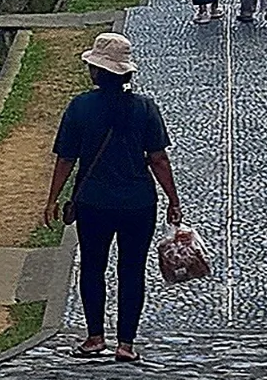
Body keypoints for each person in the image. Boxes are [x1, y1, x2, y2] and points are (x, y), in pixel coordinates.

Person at [45, 32, 182, 362]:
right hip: (138, 203)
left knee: (93, 267)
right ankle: (126, 344)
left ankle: (94, 337)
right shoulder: (145, 108)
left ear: (96, 71)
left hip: (93, 202)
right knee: (132, 270)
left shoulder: (80, 107)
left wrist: (52, 198)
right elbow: (158, 159)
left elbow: (66, 158)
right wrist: (173, 199)